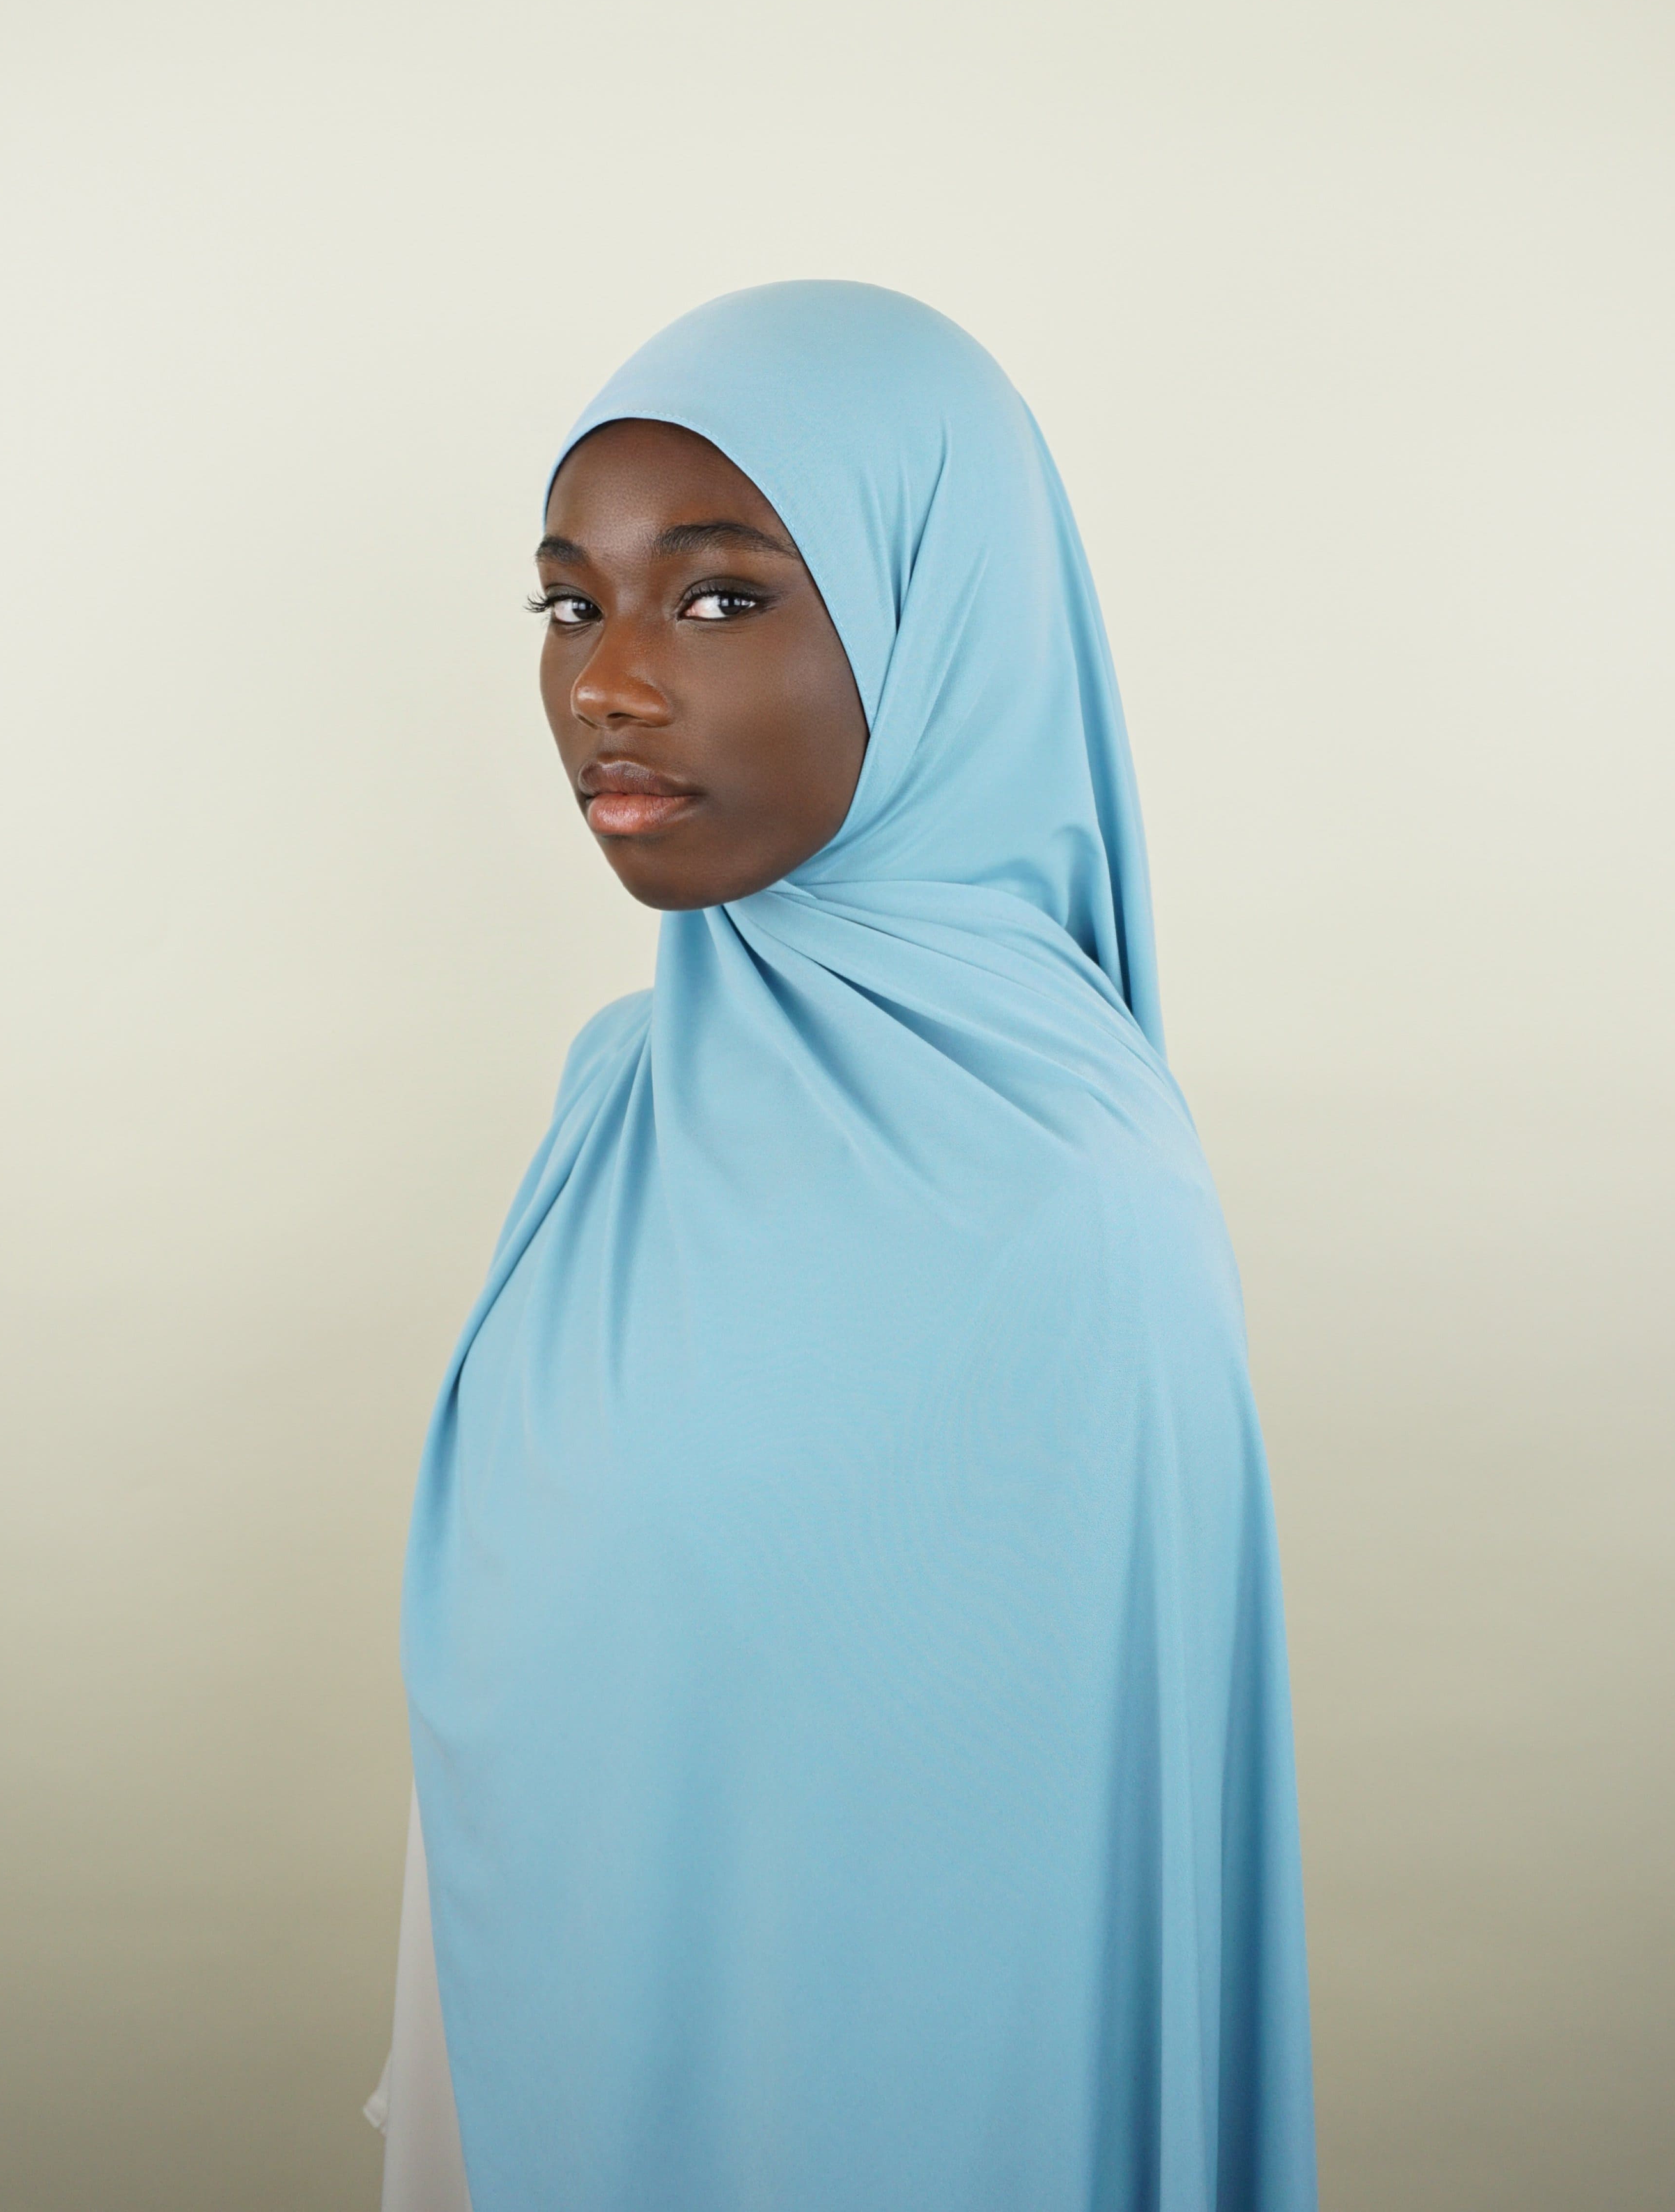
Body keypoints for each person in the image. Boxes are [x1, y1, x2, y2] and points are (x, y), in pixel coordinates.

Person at [371, 281, 1317, 2212]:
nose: (609, 684)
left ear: (941, 622)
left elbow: (1045, 1924)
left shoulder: (1077, 1207)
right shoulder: (617, 1101)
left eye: (720, 598)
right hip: (564, 2075)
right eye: (571, 605)